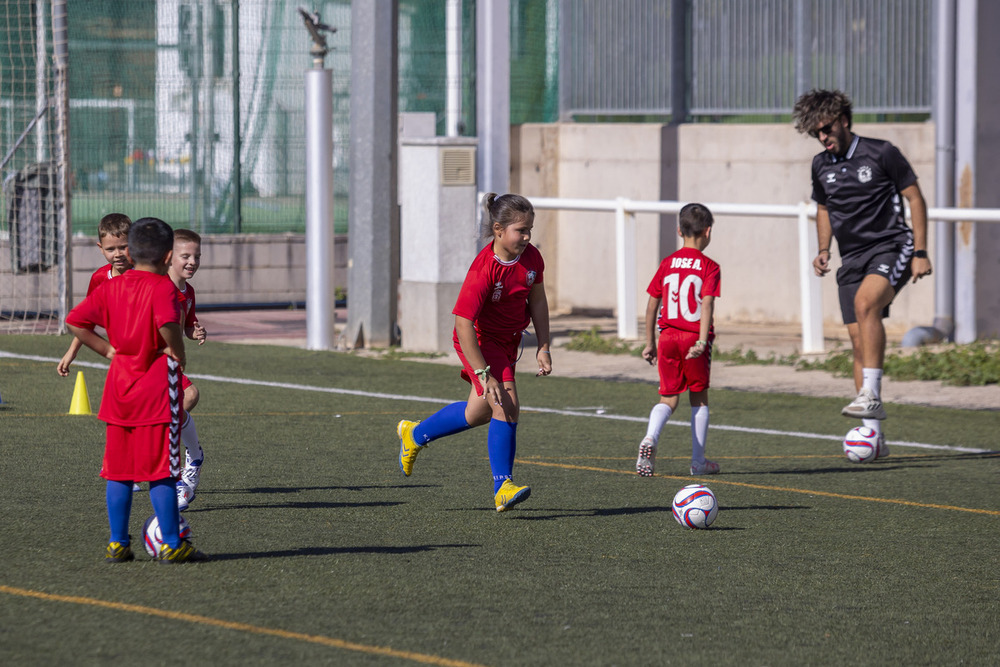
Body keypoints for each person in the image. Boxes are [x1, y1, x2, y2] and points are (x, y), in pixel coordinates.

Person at [793, 89, 933, 457]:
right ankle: (874, 437)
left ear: (843, 119)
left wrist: (920, 251)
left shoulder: (881, 152)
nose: (822, 137)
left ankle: (869, 395)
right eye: (815, 133)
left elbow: (915, 198)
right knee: (858, 343)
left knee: (865, 303)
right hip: (851, 257)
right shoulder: (820, 165)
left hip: (892, 245)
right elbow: (823, 208)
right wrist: (823, 250)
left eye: (825, 128)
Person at [396, 192, 552, 512]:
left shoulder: (533, 258)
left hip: (507, 341)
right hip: (479, 341)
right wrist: (484, 373)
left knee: (477, 413)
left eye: (529, 231)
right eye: (520, 230)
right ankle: (502, 487)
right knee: (506, 404)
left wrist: (544, 345)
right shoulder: (483, 270)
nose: (526, 237)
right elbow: (463, 324)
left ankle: (415, 434)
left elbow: (537, 300)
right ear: (498, 229)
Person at [65, 217, 209, 563]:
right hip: (154, 390)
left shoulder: (111, 287)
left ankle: (117, 542)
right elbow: (167, 324)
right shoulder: (162, 288)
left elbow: (75, 321)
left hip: (118, 390)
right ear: (168, 256)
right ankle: (173, 544)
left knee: (119, 471)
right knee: (161, 470)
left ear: (129, 251)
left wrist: (108, 350)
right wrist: (178, 350)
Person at [635, 203, 721, 477]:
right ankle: (698, 462)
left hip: (668, 337)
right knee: (699, 398)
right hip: (693, 337)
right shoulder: (710, 266)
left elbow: (651, 305)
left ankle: (650, 437)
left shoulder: (668, 263)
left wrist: (649, 342)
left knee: (668, 397)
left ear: (678, 231)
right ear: (708, 232)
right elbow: (706, 305)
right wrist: (701, 341)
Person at [57, 213, 133, 377]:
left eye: (123, 247)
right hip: (123, 358)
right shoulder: (99, 279)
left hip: (151, 353)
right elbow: (86, 321)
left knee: (188, 394)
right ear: (100, 248)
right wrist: (72, 352)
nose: (118, 254)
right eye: (111, 249)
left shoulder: (146, 273)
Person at [168, 229, 208, 511]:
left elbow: (185, 327)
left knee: (189, 395)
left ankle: (191, 459)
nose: (192, 261)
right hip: (145, 362)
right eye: (186, 256)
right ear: (169, 257)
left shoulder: (188, 292)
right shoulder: (156, 285)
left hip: (167, 364)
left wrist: (196, 333)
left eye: (197, 256)